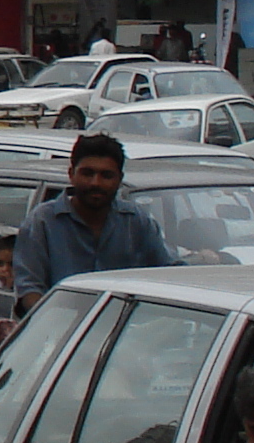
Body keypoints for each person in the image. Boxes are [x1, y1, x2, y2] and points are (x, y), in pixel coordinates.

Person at [10, 133, 173, 315]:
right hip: (57, 332)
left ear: (119, 179)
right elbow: (29, 289)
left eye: (106, 175)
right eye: (87, 173)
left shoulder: (136, 221)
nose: (96, 183)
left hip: (122, 332)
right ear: (71, 174)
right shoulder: (43, 221)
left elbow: (166, 273)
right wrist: (49, 321)